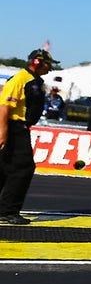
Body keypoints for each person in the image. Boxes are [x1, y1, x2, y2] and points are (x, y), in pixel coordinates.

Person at [0, 49, 58, 224]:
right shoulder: (20, 79)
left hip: (17, 127)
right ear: (37, 62)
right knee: (23, 168)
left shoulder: (34, 81)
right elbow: (4, 107)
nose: (50, 67)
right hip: (14, 127)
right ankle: (8, 211)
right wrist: (3, 132)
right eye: (48, 63)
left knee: (5, 169)